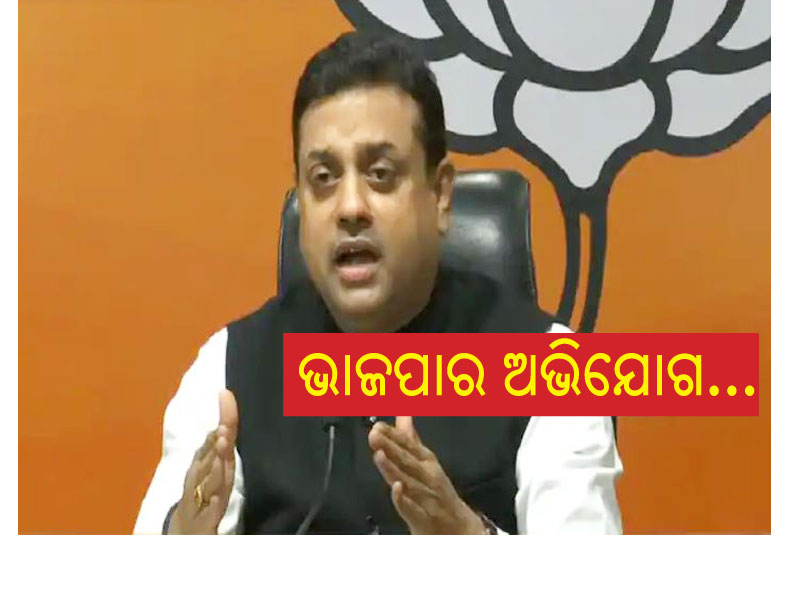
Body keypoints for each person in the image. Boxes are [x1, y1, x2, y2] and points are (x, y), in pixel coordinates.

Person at [134, 32, 622, 535]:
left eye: (381, 173)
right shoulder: (229, 369)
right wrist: (182, 540)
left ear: (441, 195)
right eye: (323, 178)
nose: (350, 207)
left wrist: (469, 540)